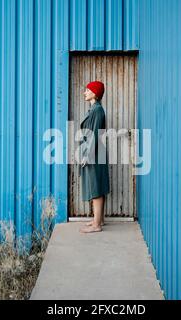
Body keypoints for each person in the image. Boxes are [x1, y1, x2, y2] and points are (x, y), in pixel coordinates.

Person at [78, 81, 110, 233]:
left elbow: (95, 134)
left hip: (95, 153)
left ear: (95, 93)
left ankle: (97, 225)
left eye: (87, 90)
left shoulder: (97, 110)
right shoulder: (94, 109)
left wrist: (87, 156)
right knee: (97, 185)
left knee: (95, 187)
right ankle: (99, 220)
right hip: (95, 151)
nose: (84, 93)